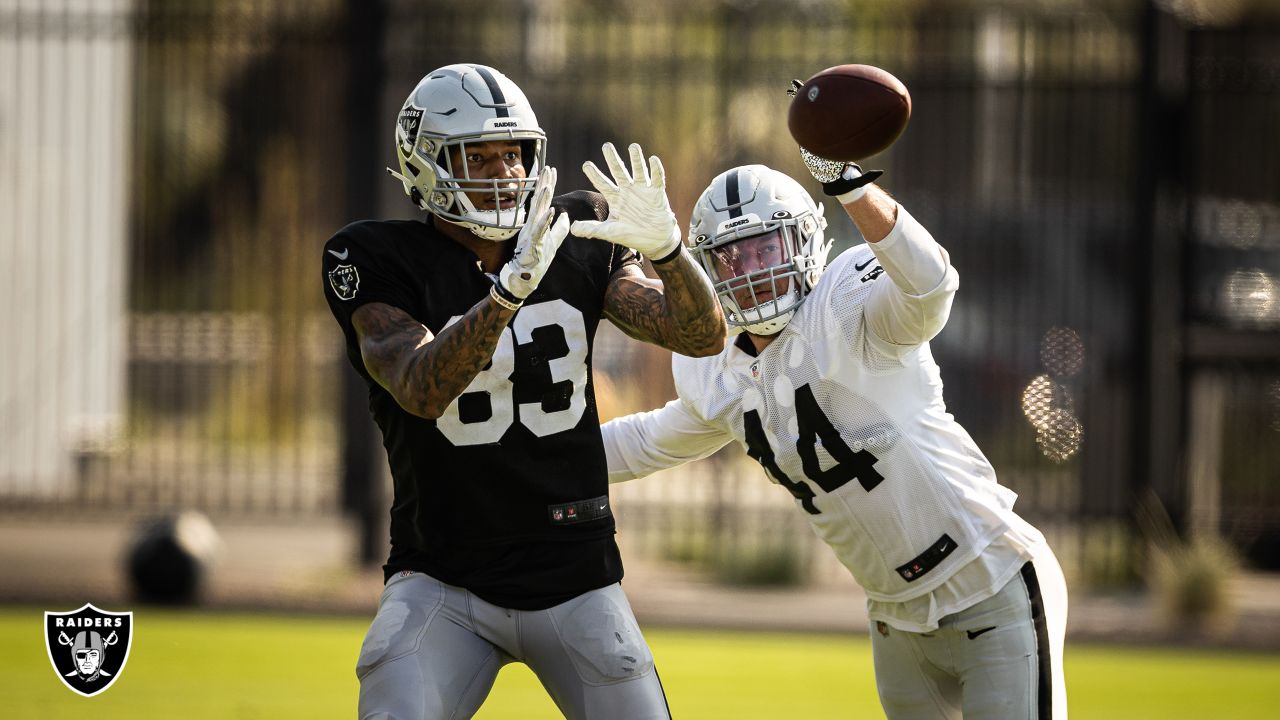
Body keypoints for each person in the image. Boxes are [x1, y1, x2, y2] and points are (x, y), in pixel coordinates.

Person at [321, 63, 725, 720]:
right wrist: (505, 293)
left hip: (574, 576)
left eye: (514, 154)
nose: (505, 173)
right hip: (442, 579)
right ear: (425, 165)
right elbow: (420, 388)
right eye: (478, 157)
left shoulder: (576, 232)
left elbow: (699, 335)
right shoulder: (371, 257)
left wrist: (672, 252)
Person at [601, 152, 1069, 718]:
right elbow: (644, 442)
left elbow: (933, 286)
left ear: (804, 243)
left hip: (991, 580)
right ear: (706, 270)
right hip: (894, 618)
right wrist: (515, 456)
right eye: (730, 257)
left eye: (764, 247)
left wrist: (851, 186)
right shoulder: (713, 368)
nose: (749, 270)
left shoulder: (848, 298)